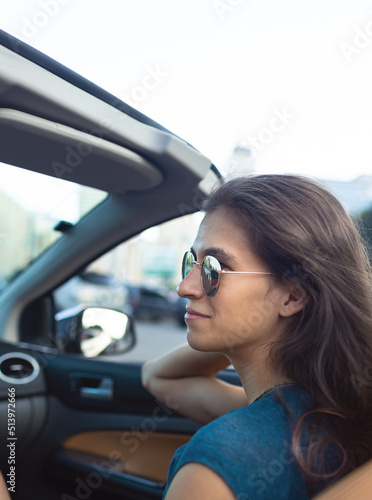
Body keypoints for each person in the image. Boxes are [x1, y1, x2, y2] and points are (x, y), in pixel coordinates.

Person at [141, 175, 372, 500]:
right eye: (191, 262)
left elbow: (158, 377)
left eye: (214, 268)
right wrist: (249, 329)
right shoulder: (333, 412)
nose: (184, 287)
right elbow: (157, 376)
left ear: (292, 296)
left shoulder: (213, 466)